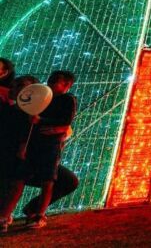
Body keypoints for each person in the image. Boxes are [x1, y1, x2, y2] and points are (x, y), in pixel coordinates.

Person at [22, 70, 78, 229]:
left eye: (55, 82)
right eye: (50, 80)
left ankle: (38, 213)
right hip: (33, 145)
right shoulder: (40, 97)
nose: (50, 84)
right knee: (23, 178)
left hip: (48, 146)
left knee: (50, 178)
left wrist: (42, 121)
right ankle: (32, 211)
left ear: (67, 85)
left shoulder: (67, 100)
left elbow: (65, 122)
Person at [0, 75, 39, 233]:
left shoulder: (36, 115)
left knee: (67, 180)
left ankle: (32, 211)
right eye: (15, 85)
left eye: (22, 86)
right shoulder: (5, 110)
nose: (16, 88)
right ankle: (4, 216)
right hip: (6, 157)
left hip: (27, 161)